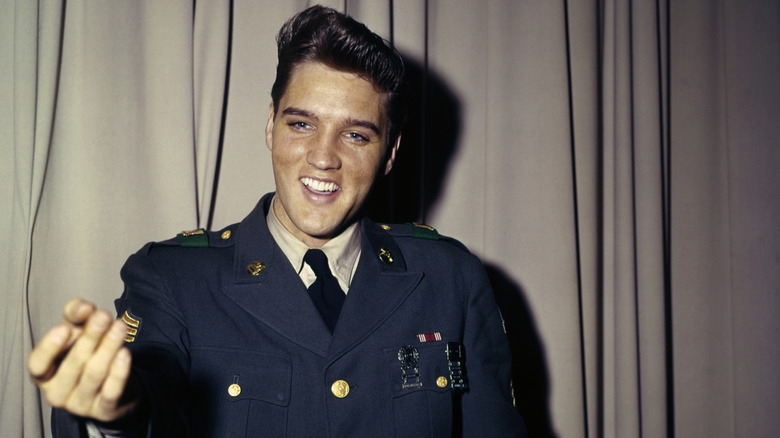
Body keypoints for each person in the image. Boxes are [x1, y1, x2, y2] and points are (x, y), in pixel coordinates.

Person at [27, 5, 527, 437]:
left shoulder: (449, 278)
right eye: (301, 124)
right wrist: (117, 414)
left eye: (356, 135)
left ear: (391, 152)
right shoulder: (173, 279)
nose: (322, 158)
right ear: (270, 124)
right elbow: (148, 394)